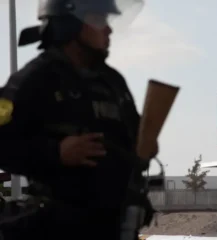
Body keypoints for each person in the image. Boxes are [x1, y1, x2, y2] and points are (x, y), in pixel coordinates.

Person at [0, 0, 158, 239]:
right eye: (99, 20)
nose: (108, 29)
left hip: (115, 227)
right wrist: (56, 152)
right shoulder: (34, 80)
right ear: (70, 24)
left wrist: (145, 145)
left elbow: (133, 144)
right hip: (59, 229)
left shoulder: (112, 82)